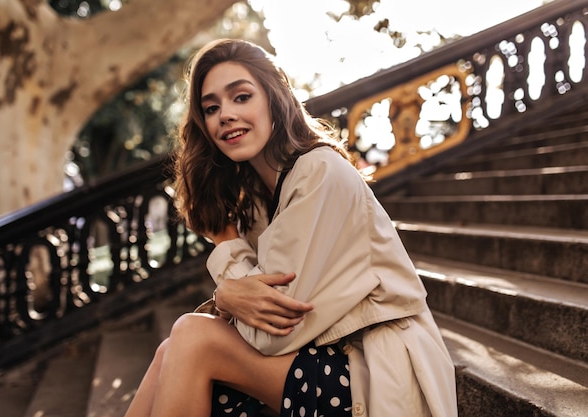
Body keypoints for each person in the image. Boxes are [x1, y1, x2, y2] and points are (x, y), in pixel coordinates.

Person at [124, 38, 457, 417]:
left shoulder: (319, 172)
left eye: (241, 97)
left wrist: (226, 252)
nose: (225, 115)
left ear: (274, 99)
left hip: (382, 373)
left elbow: (267, 334)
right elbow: (253, 315)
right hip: (327, 359)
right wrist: (228, 295)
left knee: (192, 338)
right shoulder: (255, 196)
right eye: (211, 107)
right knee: (172, 349)